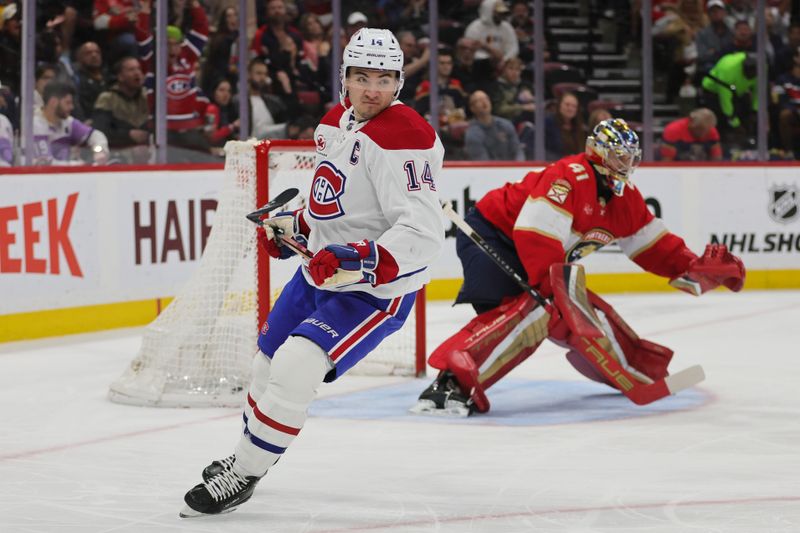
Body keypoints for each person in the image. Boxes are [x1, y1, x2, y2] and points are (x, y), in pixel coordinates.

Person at [180, 27, 445, 517]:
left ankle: (244, 472)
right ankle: (249, 455)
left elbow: (424, 231)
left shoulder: (406, 137)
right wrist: (294, 229)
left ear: (400, 83)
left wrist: (359, 258)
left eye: (384, 79)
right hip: (319, 275)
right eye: (362, 76)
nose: (372, 89)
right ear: (344, 77)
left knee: (296, 367)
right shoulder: (335, 124)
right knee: (264, 365)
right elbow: (334, 204)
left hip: (374, 290)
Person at [411, 118, 745, 416]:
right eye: (619, 155)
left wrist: (694, 268)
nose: (626, 164)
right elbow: (535, 235)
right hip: (493, 237)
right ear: (598, 153)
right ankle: (451, 383)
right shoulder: (569, 179)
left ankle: (635, 367)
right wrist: (551, 290)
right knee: (538, 312)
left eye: (631, 157)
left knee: (573, 308)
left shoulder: (626, 198)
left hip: (535, 252)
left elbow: (655, 248)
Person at [33, 81, 109, 165]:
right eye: (68, 103)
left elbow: (95, 135)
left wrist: (100, 150)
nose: (71, 107)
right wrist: (78, 165)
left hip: (67, 174)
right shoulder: (35, 126)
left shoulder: (68, 122)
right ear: (53, 102)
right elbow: (46, 163)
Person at [92, 56, 151, 164]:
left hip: (149, 153)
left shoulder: (149, 96)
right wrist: (128, 135)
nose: (137, 73)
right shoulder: (107, 99)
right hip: (116, 154)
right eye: (131, 70)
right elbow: (100, 130)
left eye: (139, 69)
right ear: (120, 77)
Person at [464, 90, 523, 161]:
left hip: (512, 169)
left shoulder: (506, 124)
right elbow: (483, 163)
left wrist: (519, 167)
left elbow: (518, 151)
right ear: (472, 108)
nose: (484, 102)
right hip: (489, 170)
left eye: (486, 98)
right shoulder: (472, 134)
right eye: (478, 100)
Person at [545, 91, 587, 160]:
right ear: (559, 105)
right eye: (567, 105)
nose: (570, 109)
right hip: (554, 164)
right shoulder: (548, 123)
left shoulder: (580, 127)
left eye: (574, 106)